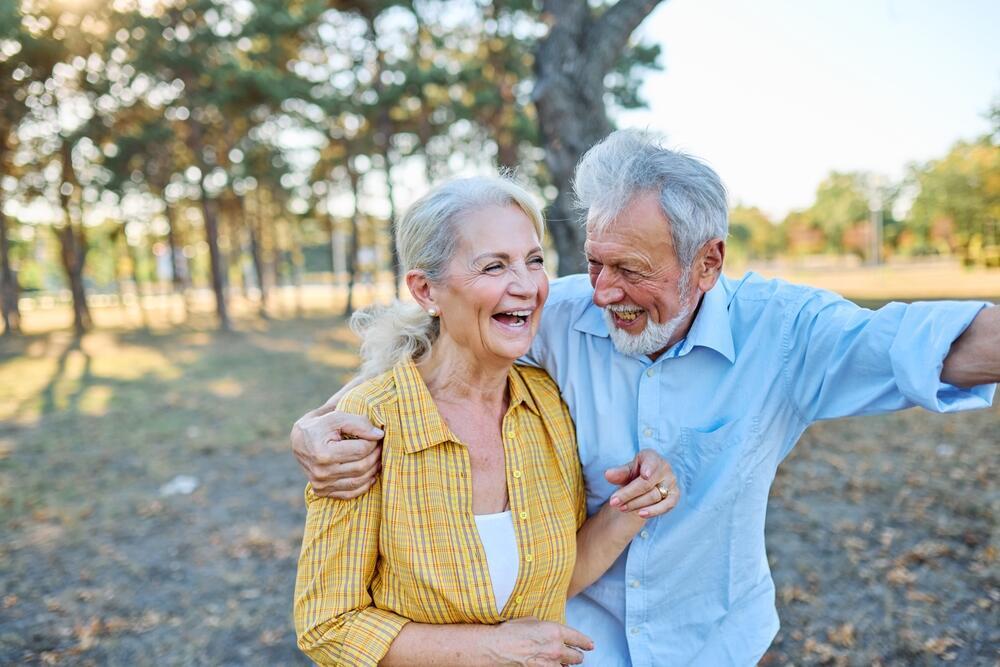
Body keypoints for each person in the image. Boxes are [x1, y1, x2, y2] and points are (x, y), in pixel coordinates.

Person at [293, 130, 999, 665]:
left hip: (713, 642)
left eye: (631, 270)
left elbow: (932, 342)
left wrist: (636, 505)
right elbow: (423, 364)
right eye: (593, 263)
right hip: (582, 646)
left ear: (708, 262)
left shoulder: (785, 334)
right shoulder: (557, 316)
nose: (601, 292)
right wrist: (316, 426)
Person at [293, 176, 679, 667]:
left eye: (533, 261)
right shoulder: (368, 425)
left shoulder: (546, 404)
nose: (525, 286)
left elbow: (555, 577)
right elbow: (327, 624)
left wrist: (635, 505)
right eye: (493, 266)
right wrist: (491, 650)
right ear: (425, 289)